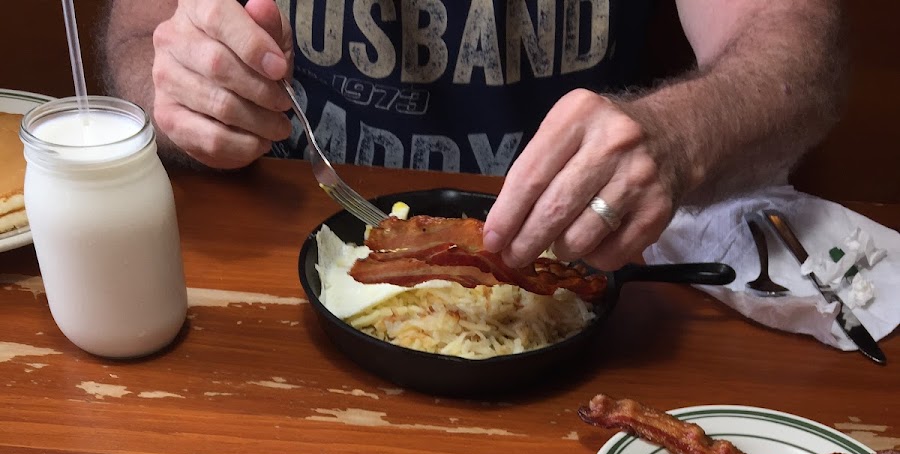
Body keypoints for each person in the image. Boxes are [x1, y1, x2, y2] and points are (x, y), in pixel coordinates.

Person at [100, 0, 843, 270]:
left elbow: (797, 53)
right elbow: (139, 37)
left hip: (566, 269)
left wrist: (678, 136)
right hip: (273, 256)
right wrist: (180, 85)